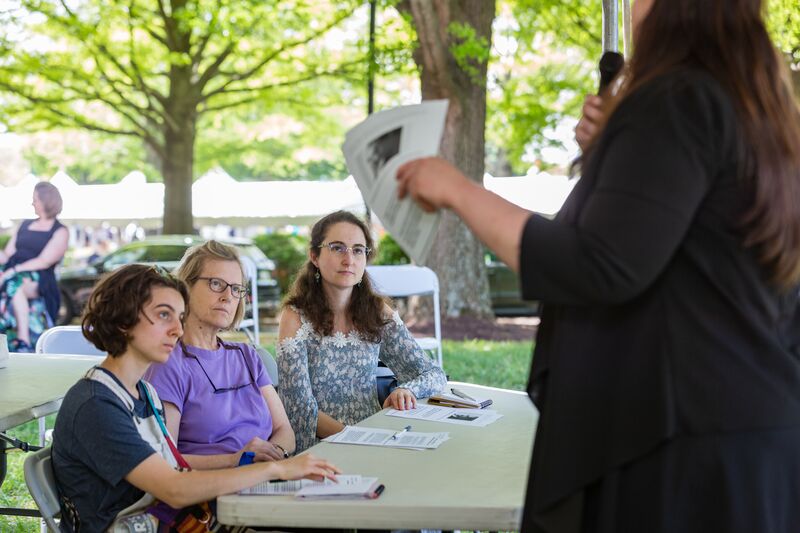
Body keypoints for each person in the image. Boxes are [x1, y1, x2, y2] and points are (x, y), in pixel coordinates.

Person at [395, 0, 800, 531]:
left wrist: (457, 189)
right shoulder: (760, 104)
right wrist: (618, 149)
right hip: (749, 431)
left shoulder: (676, 99)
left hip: (680, 441)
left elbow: (599, 262)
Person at [51, 264, 339, 532]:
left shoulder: (144, 393)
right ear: (123, 319)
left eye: (179, 317)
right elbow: (174, 488)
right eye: (164, 314)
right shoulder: (97, 404)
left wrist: (244, 460)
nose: (177, 329)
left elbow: (175, 467)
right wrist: (275, 468)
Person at [277, 210, 447, 453]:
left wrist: (406, 389)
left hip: (374, 437)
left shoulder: (377, 311)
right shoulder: (295, 316)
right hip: (318, 448)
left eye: (358, 250)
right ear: (314, 256)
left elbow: (433, 374)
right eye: (337, 248)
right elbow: (299, 409)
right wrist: (357, 438)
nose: (349, 260)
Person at [146, 240, 296, 467]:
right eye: (216, 284)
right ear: (185, 287)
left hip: (266, 478)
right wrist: (238, 461)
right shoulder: (168, 364)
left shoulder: (247, 356)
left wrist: (269, 459)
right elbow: (166, 460)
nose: (228, 296)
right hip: (211, 492)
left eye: (236, 289)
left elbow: (285, 430)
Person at [0, 181, 68, 352]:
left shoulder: (60, 231)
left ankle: (23, 339)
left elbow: (44, 261)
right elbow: (8, 254)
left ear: (47, 201)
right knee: (10, 281)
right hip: (12, 269)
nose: (32, 203)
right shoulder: (24, 224)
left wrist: (12, 271)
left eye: (35, 199)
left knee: (13, 283)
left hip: (39, 276)